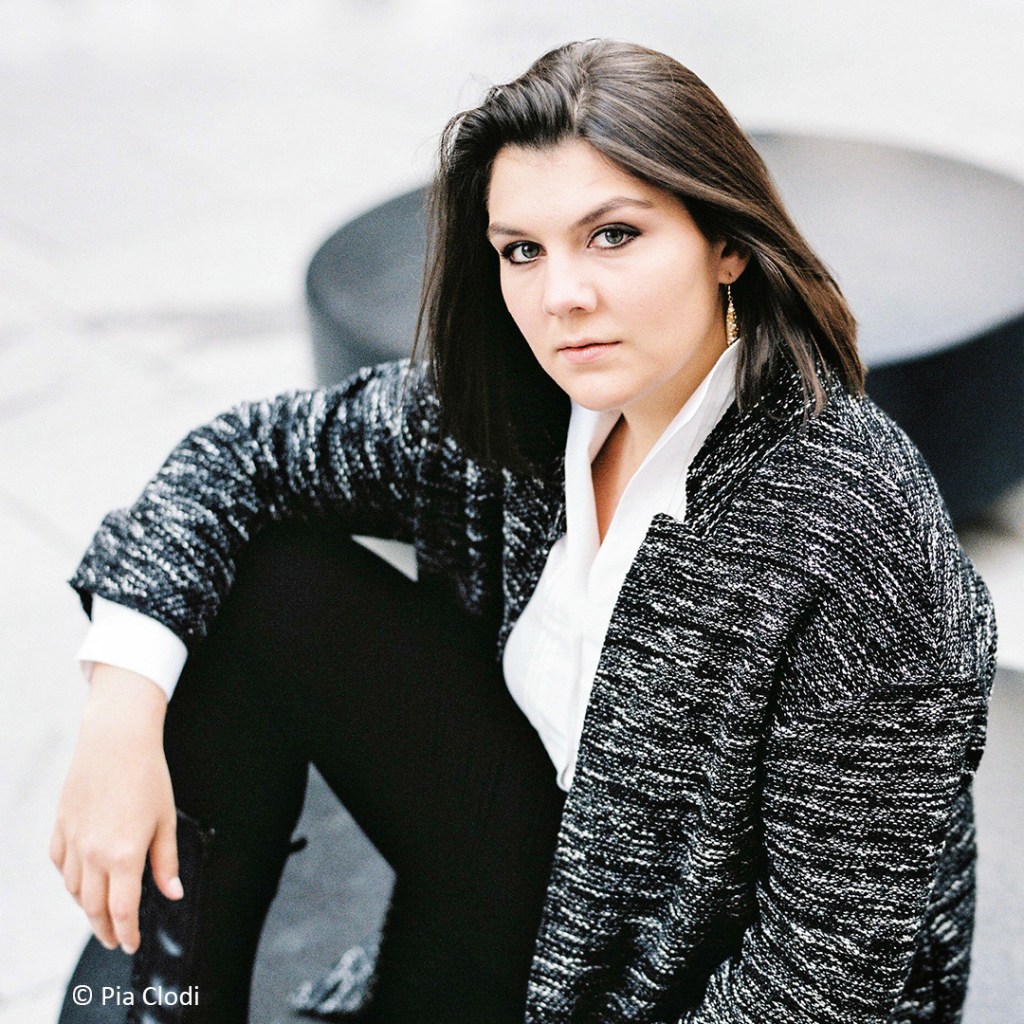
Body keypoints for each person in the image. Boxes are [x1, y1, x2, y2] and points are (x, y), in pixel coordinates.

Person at [52, 38, 996, 1024]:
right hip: (523, 872)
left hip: (684, 985)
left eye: (613, 235)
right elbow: (240, 454)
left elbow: (821, 979)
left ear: (727, 243)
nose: (561, 297)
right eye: (522, 250)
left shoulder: (854, 526)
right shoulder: (517, 403)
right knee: (266, 583)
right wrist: (118, 715)